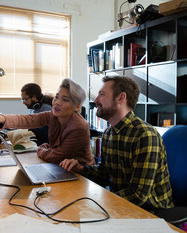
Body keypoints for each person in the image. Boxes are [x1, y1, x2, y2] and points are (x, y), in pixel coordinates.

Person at [60, 75, 173, 213]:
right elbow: (104, 173)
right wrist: (80, 169)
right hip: (119, 205)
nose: (96, 100)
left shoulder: (145, 135)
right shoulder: (108, 133)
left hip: (150, 213)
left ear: (121, 98)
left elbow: (138, 195)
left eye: (102, 94)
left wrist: (96, 202)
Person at [0, 78, 95, 166]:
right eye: (56, 97)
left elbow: (55, 156)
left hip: (81, 176)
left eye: (64, 99)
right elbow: (28, 120)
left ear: (77, 107)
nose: (57, 102)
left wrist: (41, 148)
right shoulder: (53, 115)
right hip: (60, 168)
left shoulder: (79, 127)